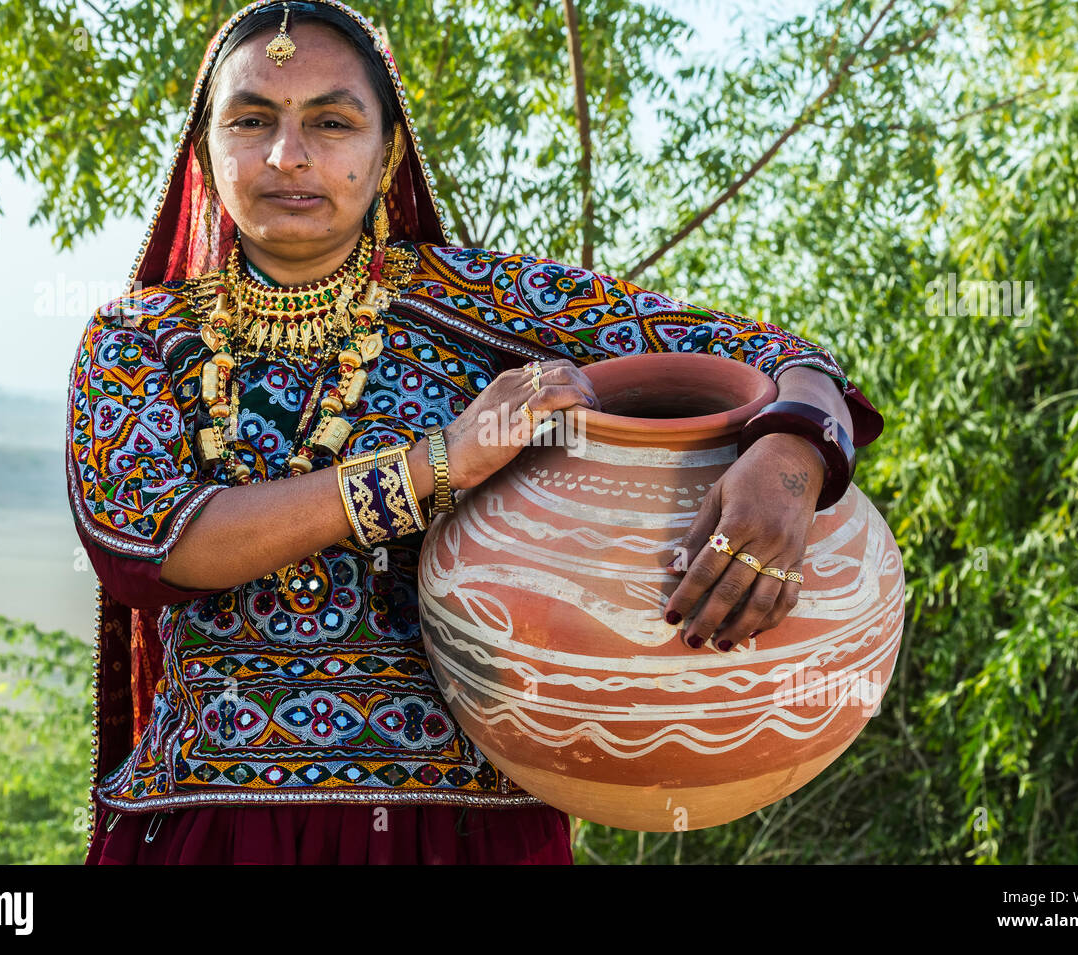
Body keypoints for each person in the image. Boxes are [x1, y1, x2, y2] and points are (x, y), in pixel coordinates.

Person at [67, 0, 884, 865]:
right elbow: (153, 544)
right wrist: (440, 464)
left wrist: (792, 460)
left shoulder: (495, 310)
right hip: (220, 827)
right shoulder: (139, 336)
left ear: (386, 153)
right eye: (252, 120)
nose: (287, 155)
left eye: (332, 121)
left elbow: (781, 357)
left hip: (465, 830)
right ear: (205, 148)